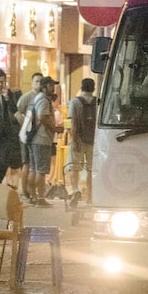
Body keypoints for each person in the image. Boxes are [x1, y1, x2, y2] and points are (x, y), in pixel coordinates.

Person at [22, 78, 58, 205]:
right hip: (41, 138)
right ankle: (41, 198)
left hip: (33, 138)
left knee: (33, 168)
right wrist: (55, 128)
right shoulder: (43, 100)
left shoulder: (37, 98)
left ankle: (33, 196)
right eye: (51, 85)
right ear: (45, 86)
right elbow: (42, 117)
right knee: (41, 171)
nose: (53, 87)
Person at [66, 77, 98, 205]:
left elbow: (72, 123)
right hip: (93, 141)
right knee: (91, 169)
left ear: (82, 87)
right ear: (93, 88)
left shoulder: (75, 102)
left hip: (78, 139)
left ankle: (75, 190)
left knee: (75, 167)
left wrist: (75, 140)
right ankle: (90, 196)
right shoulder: (97, 102)